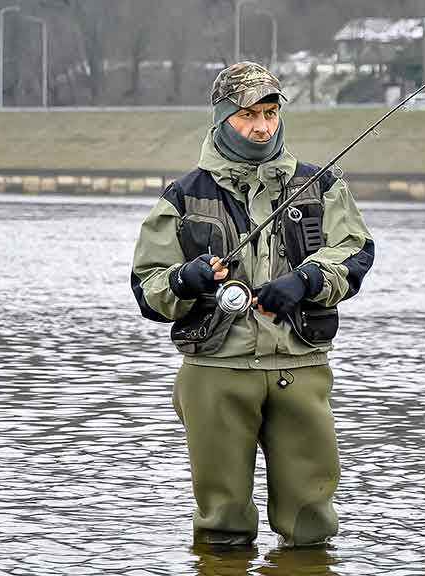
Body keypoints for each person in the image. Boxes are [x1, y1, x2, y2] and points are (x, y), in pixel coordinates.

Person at [131, 61, 375, 547]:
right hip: (215, 372)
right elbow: (147, 287)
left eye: (270, 113)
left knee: (312, 521)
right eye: (248, 116)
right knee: (222, 523)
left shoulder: (321, 185)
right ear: (222, 119)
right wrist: (186, 279)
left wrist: (306, 280)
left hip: (300, 367)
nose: (263, 126)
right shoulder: (181, 197)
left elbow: (355, 250)